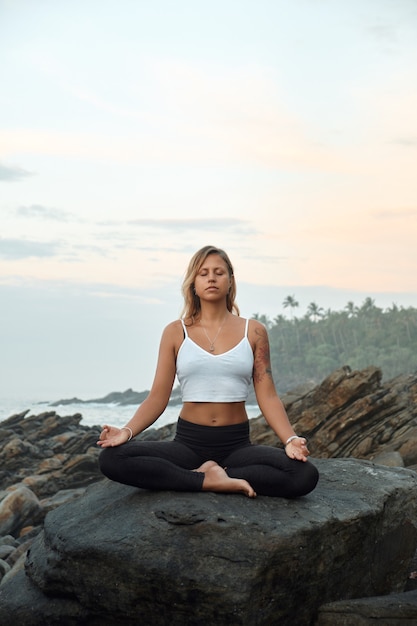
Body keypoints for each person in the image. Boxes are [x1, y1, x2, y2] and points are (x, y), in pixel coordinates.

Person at [98, 245, 319, 498]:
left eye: (219, 272)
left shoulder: (254, 331)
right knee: (111, 459)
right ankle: (207, 480)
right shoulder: (175, 332)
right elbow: (157, 398)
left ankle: (219, 473)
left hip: (236, 447)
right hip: (188, 444)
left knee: (304, 475)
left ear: (230, 281)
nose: (211, 278)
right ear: (194, 283)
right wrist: (125, 432)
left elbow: (268, 397)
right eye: (203, 273)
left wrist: (291, 440)